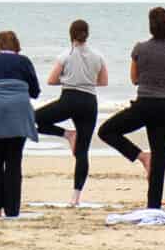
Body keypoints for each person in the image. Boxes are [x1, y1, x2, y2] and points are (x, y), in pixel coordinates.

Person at [98, 7, 165, 210]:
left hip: (144, 104)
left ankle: (140, 155)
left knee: (107, 131)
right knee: (160, 160)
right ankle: (154, 207)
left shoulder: (140, 48)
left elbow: (134, 79)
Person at [33, 19, 108, 206]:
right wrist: (86, 80)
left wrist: (68, 80)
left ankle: (67, 134)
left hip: (69, 99)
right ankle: (75, 198)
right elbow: (103, 81)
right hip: (89, 102)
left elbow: (51, 80)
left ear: (71, 35)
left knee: (33, 119)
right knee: (82, 152)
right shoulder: (98, 56)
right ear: (87, 34)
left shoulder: (65, 55)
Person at [0, 30, 40, 217]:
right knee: (14, 160)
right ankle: (12, 210)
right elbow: (35, 91)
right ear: (17, 46)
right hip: (18, 111)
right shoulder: (24, 62)